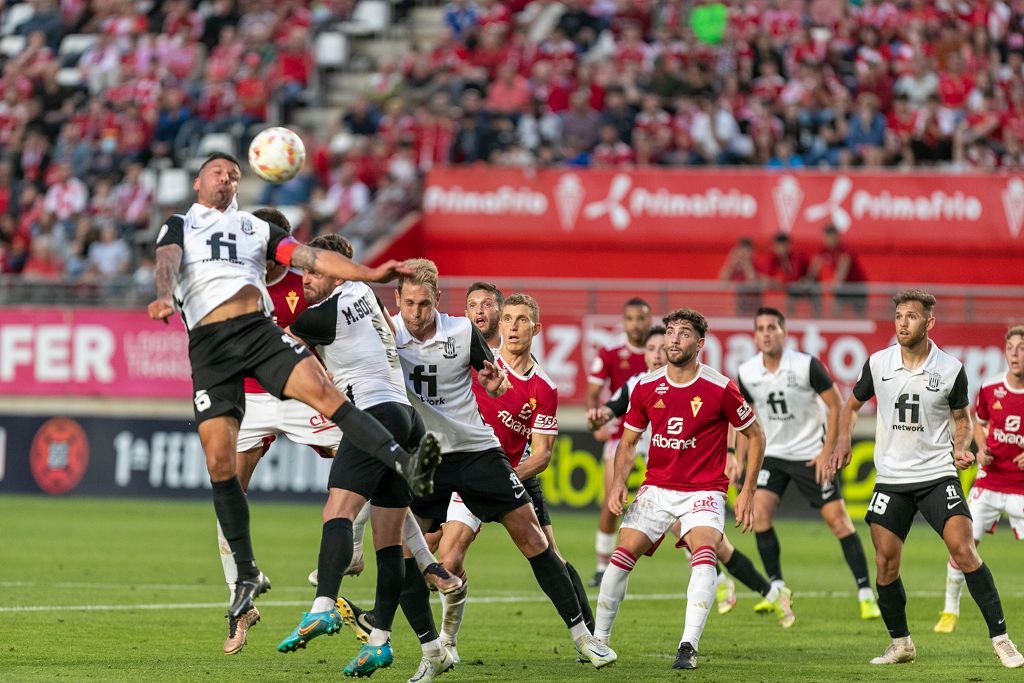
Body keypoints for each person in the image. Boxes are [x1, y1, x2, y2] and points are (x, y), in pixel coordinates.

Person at [146, 152, 441, 626]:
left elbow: (313, 256)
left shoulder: (255, 229)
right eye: (218, 172)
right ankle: (244, 576)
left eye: (234, 175)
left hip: (258, 334)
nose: (227, 178)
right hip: (212, 352)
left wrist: (371, 273)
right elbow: (167, 261)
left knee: (331, 398)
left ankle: (405, 463)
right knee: (220, 468)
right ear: (199, 181)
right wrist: (163, 295)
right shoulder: (180, 224)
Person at [337, 260, 616, 681]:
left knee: (533, 538)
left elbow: (493, 376)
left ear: (437, 301)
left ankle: (583, 639)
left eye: (424, 304)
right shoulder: (386, 333)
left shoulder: (462, 332)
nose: (416, 312)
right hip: (425, 457)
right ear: (397, 301)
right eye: (409, 303)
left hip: (476, 451)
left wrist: (493, 383)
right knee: (403, 553)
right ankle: (433, 651)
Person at [829, 289, 1023, 668]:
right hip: (891, 478)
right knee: (885, 563)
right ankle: (901, 644)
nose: (903, 322)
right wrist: (841, 439)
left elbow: (962, 419)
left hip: (937, 474)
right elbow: (851, 406)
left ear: (929, 322)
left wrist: (959, 447)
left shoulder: (950, 369)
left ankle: (1002, 639)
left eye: (912, 316)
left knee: (964, 550)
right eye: (899, 315)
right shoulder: (878, 362)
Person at [275, 234, 438, 677]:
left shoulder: (321, 314)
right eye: (305, 269)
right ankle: (380, 641)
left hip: (372, 415)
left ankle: (324, 605)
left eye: (315, 270)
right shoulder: (364, 292)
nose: (306, 278)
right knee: (389, 541)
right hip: (405, 416)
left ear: (339, 270)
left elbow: (279, 346)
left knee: (337, 511)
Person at [594, 308, 767, 670]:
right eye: (671, 332)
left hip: (704, 490)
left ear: (700, 343)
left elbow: (755, 433)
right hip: (656, 487)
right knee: (621, 557)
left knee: (704, 553)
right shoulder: (645, 386)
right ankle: (599, 641)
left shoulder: (719, 386)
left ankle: (688, 645)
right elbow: (627, 442)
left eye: (684, 333)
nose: (674, 339)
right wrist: (617, 486)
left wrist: (748, 491)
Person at [439, 292, 595, 660]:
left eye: (522, 320)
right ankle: (438, 637)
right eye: (507, 318)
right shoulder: (480, 363)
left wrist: (502, 476)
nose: (512, 326)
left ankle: (590, 633)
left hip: (515, 476)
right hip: (466, 469)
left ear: (536, 328)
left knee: (549, 554)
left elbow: (541, 456)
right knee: (441, 555)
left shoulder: (543, 387)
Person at [216, 207, 341, 656]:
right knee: (226, 491)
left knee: (365, 455)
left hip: (297, 394)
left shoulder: (302, 284)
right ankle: (241, 598)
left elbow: (330, 339)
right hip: (248, 400)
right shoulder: (233, 280)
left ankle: (362, 552)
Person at [736, 307, 880, 621]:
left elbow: (835, 404)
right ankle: (776, 587)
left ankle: (866, 593)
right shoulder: (746, 372)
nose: (766, 333)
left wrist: (827, 452)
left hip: (810, 452)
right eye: (760, 328)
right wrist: (738, 457)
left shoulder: (805, 365)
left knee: (839, 521)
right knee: (760, 513)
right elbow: (743, 420)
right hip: (772, 454)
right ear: (755, 335)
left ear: (783, 332)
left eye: (772, 327)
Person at [935, 326, 1024, 634]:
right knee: (961, 543)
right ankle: (950, 610)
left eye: (1021, 348)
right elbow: (978, 424)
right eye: (1010, 347)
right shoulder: (990, 387)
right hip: (989, 481)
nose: (1015, 353)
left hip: (1022, 488)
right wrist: (983, 448)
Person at [586, 298, 651, 587]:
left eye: (641, 318)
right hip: (621, 434)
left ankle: (700, 562)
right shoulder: (611, 353)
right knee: (611, 500)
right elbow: (593, 392)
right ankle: (602, 566)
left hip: (658, 435)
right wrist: (596, 418)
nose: (636, 324)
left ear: (649, 321)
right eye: (631, 318)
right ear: (624, 322)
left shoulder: (661, 353)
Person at [809, 224, 868, 316]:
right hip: (843, 287)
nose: (829, 240)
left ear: (837, 237)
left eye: (831, 237)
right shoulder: (825, 250)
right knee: (835, 310)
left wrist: (836, 281)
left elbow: (844, 265)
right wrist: (808, 279)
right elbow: (815, 266)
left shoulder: (845, 249)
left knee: (860, 316)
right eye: (826, 237)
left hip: (857, 286)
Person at [718, 236, 763, 315]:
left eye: (747, 250)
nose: (744, 253)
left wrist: (746, 264)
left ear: (752, 251)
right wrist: (731, 263)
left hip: (755, 304)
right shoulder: (735, 265)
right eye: (741, 250)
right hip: (740, 304)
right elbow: (722, 284)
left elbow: (752, 283)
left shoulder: (757, 263)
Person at [464, 281, 504, 349]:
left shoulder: (520, 351)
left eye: (487, 304)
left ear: (501, 311)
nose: (479, 311)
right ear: (466, 314)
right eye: (472, 305)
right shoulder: (460, 353)